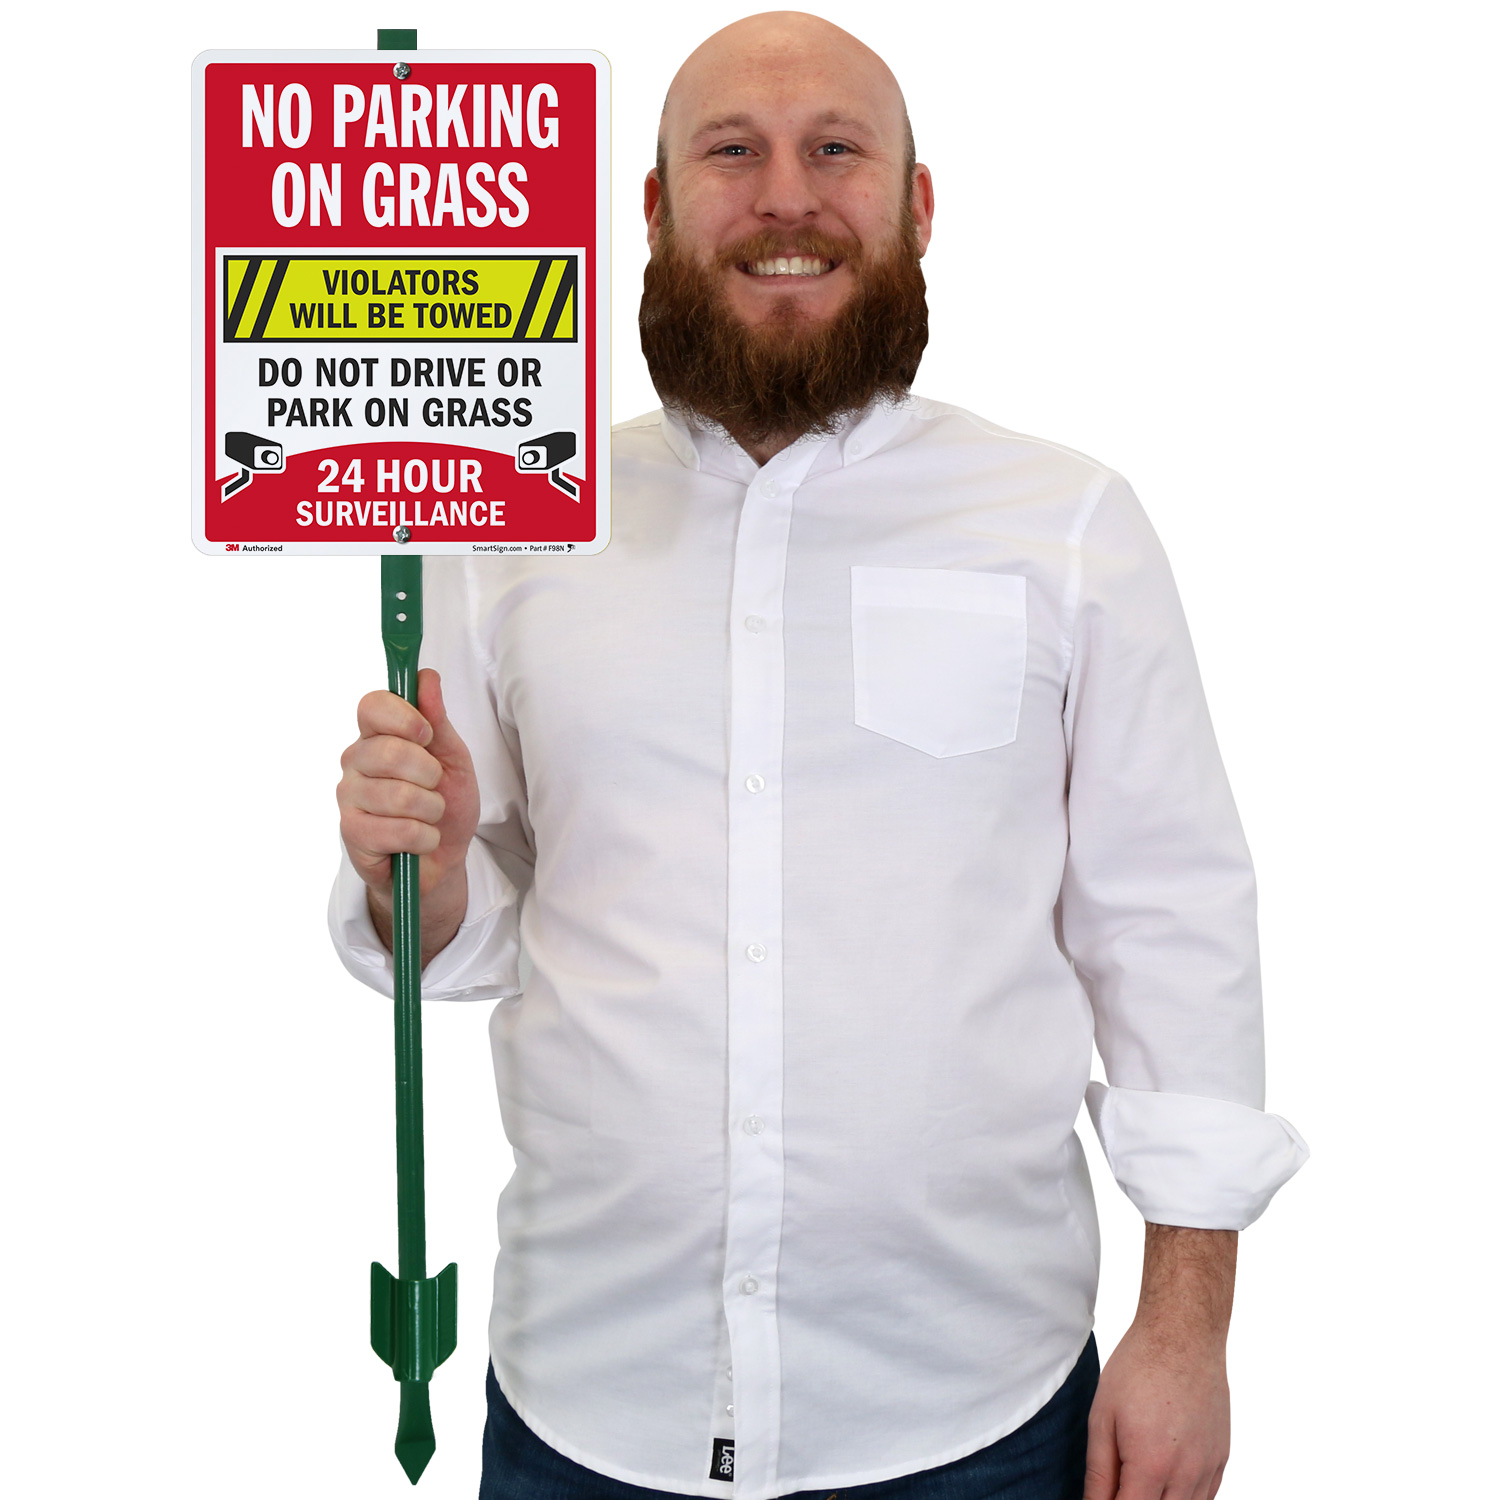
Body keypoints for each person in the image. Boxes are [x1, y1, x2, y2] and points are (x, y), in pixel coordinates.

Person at [332, 13, 1308, 1500]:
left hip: (972, 1415)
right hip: (590, 1403)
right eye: (732, 151)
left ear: (918, 205)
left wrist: (1186, 1330)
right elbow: (476, 928)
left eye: (836, 150)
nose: (786, 197)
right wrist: (426, 867)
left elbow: (1172, 929)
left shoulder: (1065, 524)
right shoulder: (517, 528)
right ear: (655, 208)